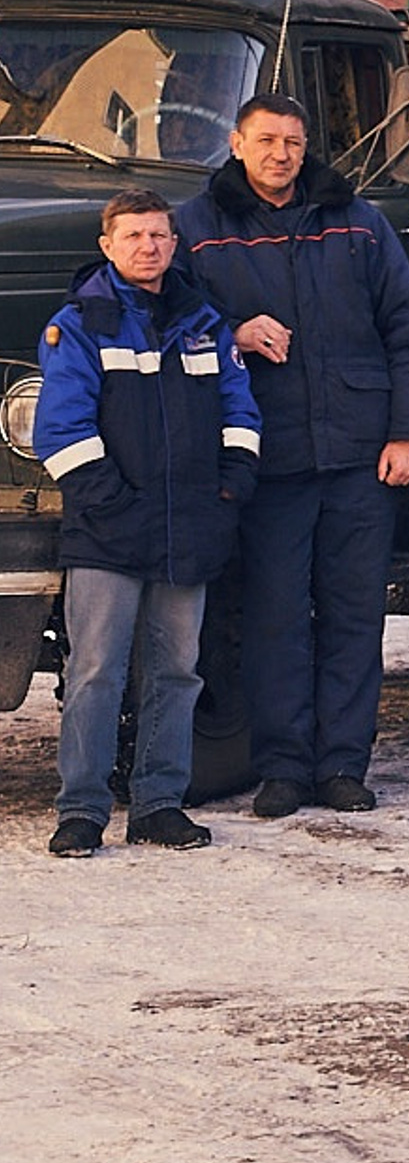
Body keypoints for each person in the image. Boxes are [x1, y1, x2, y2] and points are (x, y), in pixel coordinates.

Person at [177, 91, 409, 817]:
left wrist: (408, 432)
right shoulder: (197, 229)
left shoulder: (357, 224)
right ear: (235, 143)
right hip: (270, 457)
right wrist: (232, 331)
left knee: (356, 616)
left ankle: (343, 767)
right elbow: (169, 318)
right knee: (275, 618)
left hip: (359, 456)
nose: (280, 155)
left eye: (292, 141)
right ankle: (286, 768)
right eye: (266, 141)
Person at [35, 189, 261, 856]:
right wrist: (118, 510)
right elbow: (62, 435)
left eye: (159, 235)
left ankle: (161, 803)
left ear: (174, 243)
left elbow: (239, 414)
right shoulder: (78, 325)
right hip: (108, 536)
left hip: (189, 529)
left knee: (177, 673)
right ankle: (81, 810)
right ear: (107, 246)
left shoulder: (203, 322)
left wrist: (228, 494)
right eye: (133, 236)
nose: (148, 247)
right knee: (97, 671)